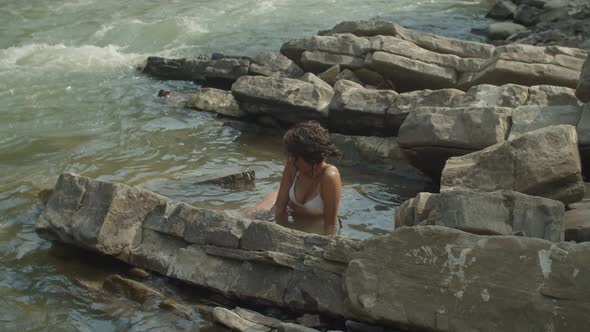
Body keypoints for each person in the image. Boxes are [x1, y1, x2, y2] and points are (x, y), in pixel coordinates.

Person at [249, 121, 342, 235]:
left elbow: (330, 225)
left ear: (311, 158)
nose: (291, 160)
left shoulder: (329, 177)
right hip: (281, 203)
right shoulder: (292, 163)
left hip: (312, 222)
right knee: (250, 216)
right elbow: (280, 208)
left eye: (296, 157)